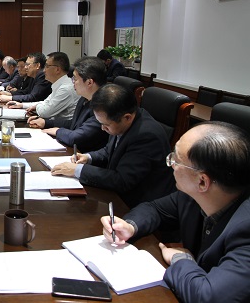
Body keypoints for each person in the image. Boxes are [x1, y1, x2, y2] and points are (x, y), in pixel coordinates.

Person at [101, 122, 250, 303]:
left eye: (175, 160)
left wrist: (181, 259)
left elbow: (209, 297)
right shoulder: (194, 196)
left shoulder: (245, 229)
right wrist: (130, 226)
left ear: (202, 182)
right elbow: (154, 209)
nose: (170, 164)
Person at [51, 83, 175, 208]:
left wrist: (78, 170)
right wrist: (88, 157)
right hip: (117, 194)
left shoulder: (146, 135)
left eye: (106, 125)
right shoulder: (123, 120)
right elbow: (110, 150)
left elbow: (122, 180)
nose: (102, 128)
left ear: (127, 118)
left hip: (138, 204)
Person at [32, 56, 108, 152]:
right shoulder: (84, 98)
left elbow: (77, 137)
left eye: (75, 79)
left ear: (89, 82)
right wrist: (46, 123)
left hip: (88, 155)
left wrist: (57, 131)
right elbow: (75, 123)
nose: (73, 83)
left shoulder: (103, 106)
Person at [8, 52, 78, 121]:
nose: (44, 70)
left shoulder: (65, 88)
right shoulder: (59, 85)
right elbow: (45, 102)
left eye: (47, 66)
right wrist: (22, 105)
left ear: (57, 69)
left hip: (60, 126)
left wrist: (37, 106)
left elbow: (44, 112)